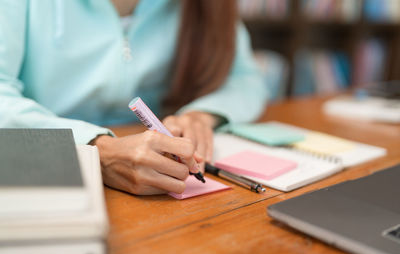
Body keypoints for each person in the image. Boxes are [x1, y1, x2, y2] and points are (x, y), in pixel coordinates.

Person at [0, 0, 269, 195]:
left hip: (153, 172)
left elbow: (245, 79)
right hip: (43, 170)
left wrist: (203, 114)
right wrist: (95, 149)